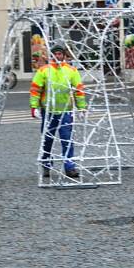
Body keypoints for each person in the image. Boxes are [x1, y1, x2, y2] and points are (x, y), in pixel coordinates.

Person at [30, 44, 87, 178]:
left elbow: (79, 90)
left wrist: (81, 107)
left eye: (60, 54)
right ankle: (46, 165)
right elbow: (35, 89)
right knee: (47, 140)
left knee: (67, 140)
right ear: (51, 55)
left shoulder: (72, 71)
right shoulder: (43, 71)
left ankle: (69, 167)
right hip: (48, 111)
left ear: (64, 55)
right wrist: (34, 107)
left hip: (65, 112)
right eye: (55, 54)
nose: (57, 56)